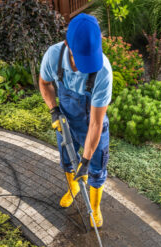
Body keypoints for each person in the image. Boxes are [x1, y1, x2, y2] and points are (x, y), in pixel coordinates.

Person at [39, 13, 112, 228]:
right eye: (80, 60)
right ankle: (74, 188)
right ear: (67, 44)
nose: (84, 67)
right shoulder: (53, 56)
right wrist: (54, 110)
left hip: (92, 122)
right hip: (66, 120)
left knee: (96, 169)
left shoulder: (103, 72)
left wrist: (87, 160)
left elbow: (96, 124)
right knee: (67, 160)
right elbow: (45, 84)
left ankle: (95, 208)